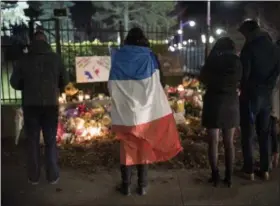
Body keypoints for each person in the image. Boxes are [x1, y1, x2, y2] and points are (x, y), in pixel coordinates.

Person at [108, 27, 182, 196]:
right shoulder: (150, 56)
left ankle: (126, 185)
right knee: (144, 146)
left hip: (125, 110)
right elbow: (159, 82)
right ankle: (142, 185)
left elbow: (111, 83)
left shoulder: (118, 57)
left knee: (127, 147)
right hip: (145, 111)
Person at [10, 31, 69, 185]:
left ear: (32, 42)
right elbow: (65, 80)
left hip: (30, 105)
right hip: (50, 105)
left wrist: (26, 86)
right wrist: (56, 88)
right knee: (50, 141)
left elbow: (14, 83)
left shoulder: (24, 59)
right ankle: (52, 175)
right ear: (46, 41)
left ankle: (34, 176)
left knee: (32, 141)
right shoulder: (55, 58)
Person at [238, 19, 280, 180]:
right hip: (266, 96)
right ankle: (265, 168)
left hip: (250, 96)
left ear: (249, 32)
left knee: (248, 134)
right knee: (264, 133)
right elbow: (276, 72)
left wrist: (244, 87)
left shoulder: (249, 48)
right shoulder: (275, 49)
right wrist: (267, 87)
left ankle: (248, 169)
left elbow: (244, 73)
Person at [200, 37, 242, 188]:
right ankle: (229, 177)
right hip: (230, 102)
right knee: (229, 142)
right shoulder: (236, 61)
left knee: (213, 141)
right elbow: (240, 78)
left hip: (213, 102)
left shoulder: (213, 60)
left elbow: (202, 78)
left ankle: (215, 175)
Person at [270, 40, 280, 168]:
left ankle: (275, 155)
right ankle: (275, 155)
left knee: (272, 129)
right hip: (275, 98)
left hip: (274, 99)